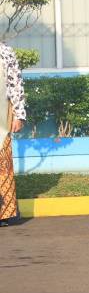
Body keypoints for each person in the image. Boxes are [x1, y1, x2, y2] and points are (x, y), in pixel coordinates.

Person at [0, 43, 26, 227]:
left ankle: (6, 213)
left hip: (2, 114)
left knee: (3, 163)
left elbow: (15, 84)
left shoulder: (5, 51)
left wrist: (19, 114)